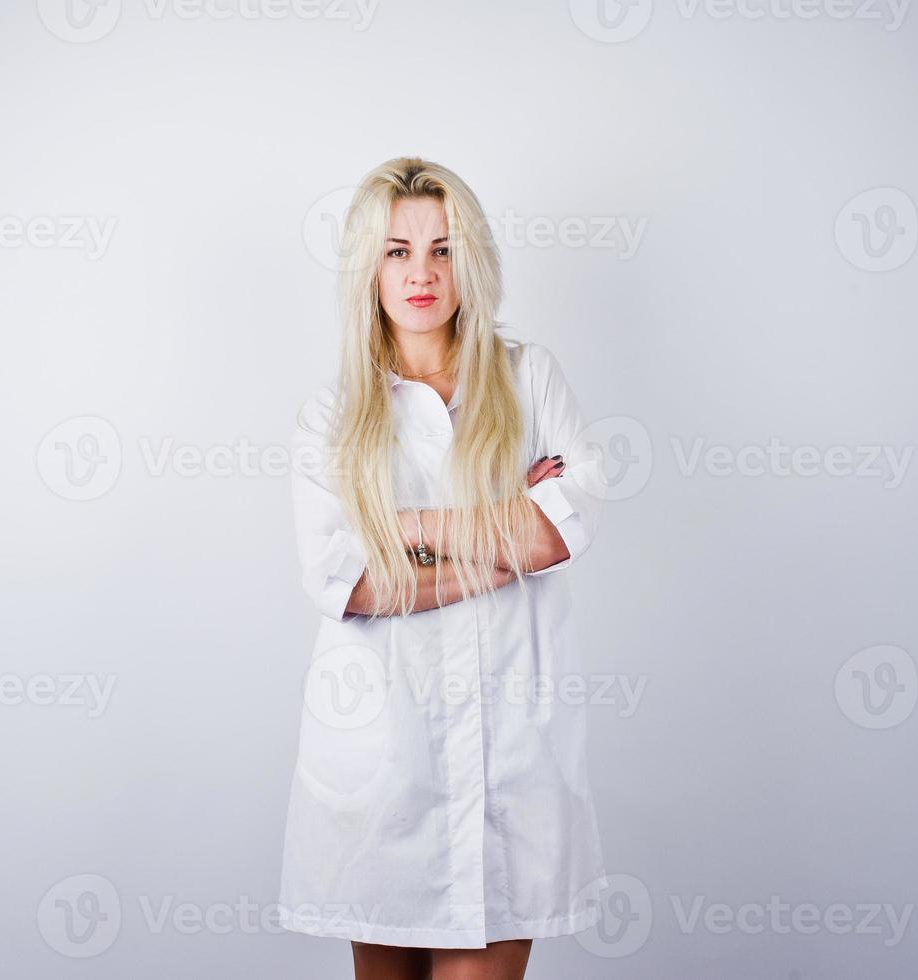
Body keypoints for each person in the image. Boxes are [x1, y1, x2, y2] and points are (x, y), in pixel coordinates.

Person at [277, 156, 608, 980]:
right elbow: (348, 582)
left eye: (442, 248)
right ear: (367, 267)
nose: (421, 273)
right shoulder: (332, 416)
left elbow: (561, 533)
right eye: (396, 251)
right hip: (382, 758)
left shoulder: (530, 380)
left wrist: (412, 529)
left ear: (473, 260)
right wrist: (501, 544)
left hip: (510, 761)